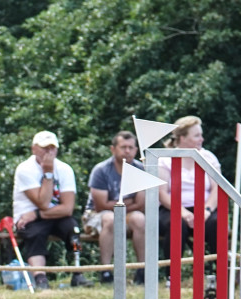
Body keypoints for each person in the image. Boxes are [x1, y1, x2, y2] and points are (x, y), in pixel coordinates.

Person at [12, 130, 90, 289]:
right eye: (44, 148)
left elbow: (68, 208)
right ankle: (40, 278)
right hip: (27, 219)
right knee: (35, 233)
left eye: (52, 148)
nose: (49, 152)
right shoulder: (25, 169)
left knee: (72, 228)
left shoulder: (65, 169)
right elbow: (43, 202)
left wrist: (36, 214)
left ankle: (77, 273)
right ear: (34, 149)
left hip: (41, 215)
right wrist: (48, 173)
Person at [83, 131, 147, 285]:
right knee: (111, 219)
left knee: (140, 219)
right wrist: (130, 201)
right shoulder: (101, 170)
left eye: (131, 147)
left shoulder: (141, 170)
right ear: (113, 149)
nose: (127, 151)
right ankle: (105, 270)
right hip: (97, 215)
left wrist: (121, 203)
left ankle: (142, 270)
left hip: (128, 214)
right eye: (123, 147)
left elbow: (142, 205)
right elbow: (101, 205)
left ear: (136, 150)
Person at [157, 116, 220, 269]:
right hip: (172, 209)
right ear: (182, 138)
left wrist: (206, 211)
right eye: (197, 135)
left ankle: (216, 273)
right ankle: (171, 275)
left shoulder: (209, 157)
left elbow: (217, 189)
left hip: (205, 208)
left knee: (216, 223)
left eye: (201, 135)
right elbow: (162, 193)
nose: (202, 139)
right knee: (177, 224)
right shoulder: (164, 159)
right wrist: (183, 212)